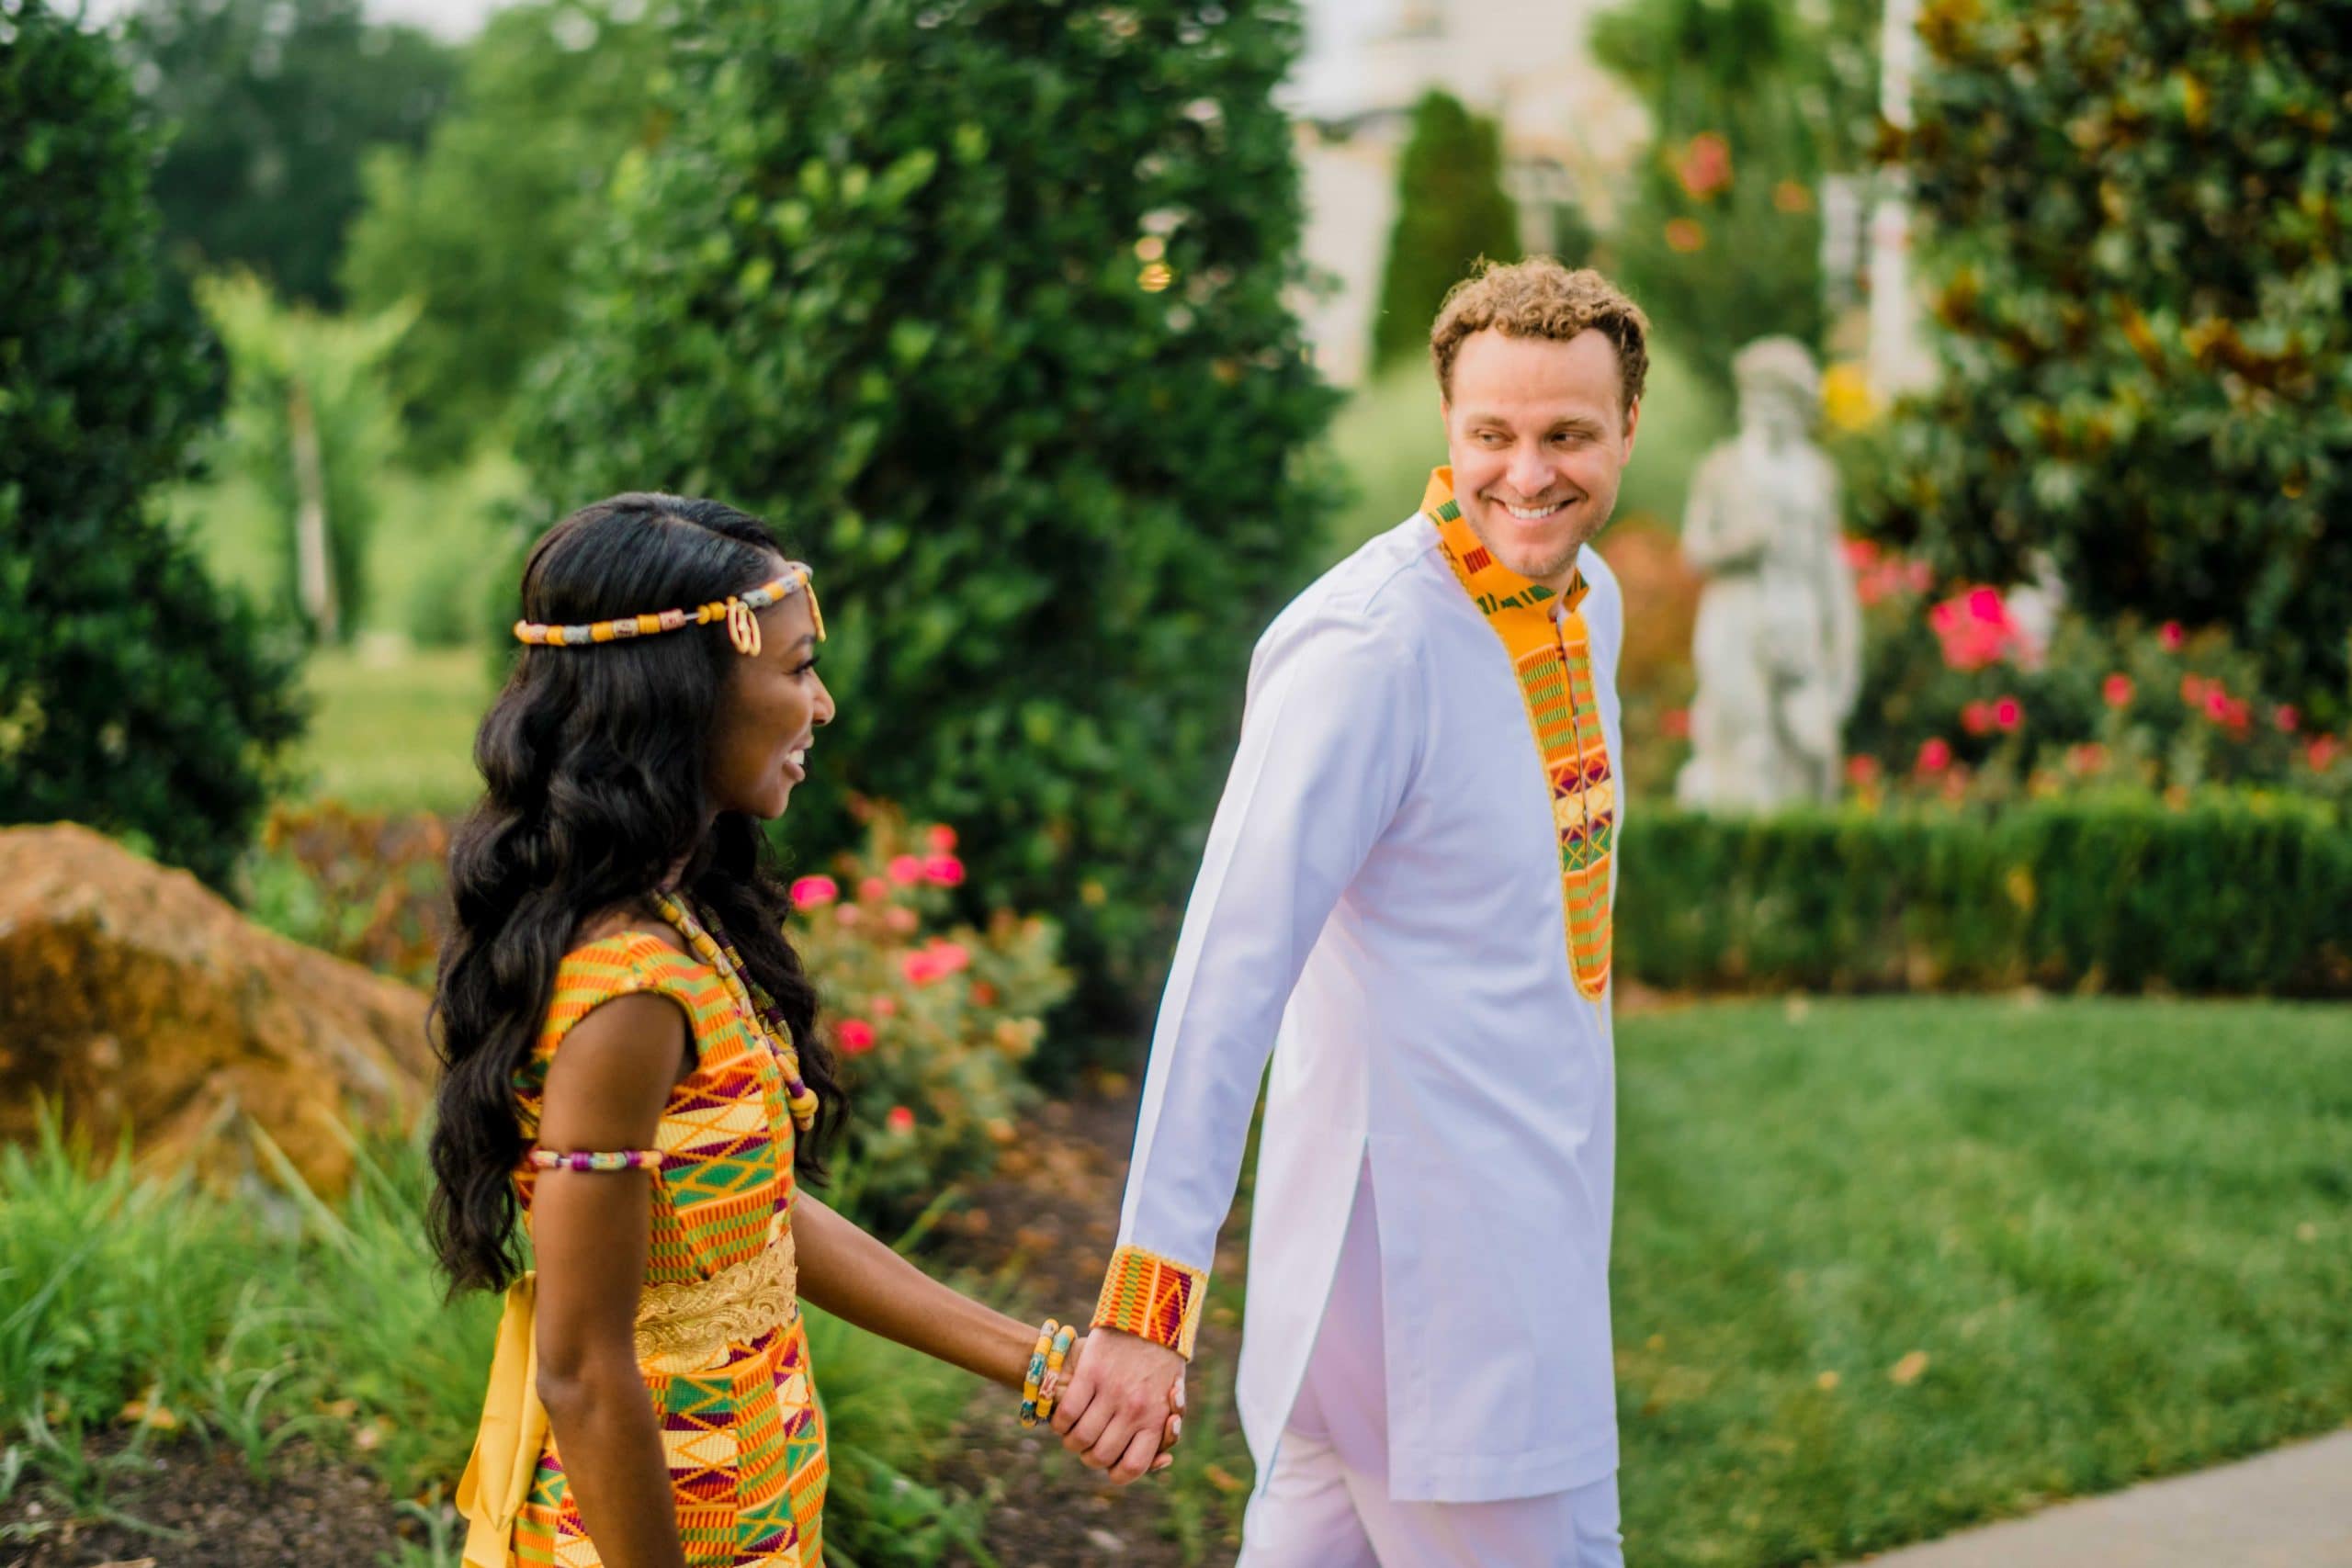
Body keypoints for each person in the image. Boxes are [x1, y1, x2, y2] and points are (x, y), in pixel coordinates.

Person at [428, 492, 1176, 1568]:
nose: (820, 706)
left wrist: (1043, 1366)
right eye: (793, 670)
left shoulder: (678, 929)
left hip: (759, 1510)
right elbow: (583, 1373)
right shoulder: (627, 995)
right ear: (683, 695)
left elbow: (751, 1217)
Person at [1052, 259, 1647, 1565]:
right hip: (1443, 1306)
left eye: (1567, 436)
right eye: (1492, 434)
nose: (1528, 474)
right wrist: (1149, 1305)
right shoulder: (1371, 648)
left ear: (1626, 433)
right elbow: (1227, 970)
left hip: (1497, 1258)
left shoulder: (1589, 605)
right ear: (1449, 427)